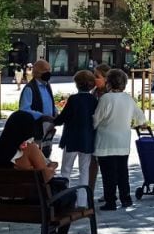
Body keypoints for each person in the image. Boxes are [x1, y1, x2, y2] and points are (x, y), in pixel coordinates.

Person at [0, 110, 78, 234]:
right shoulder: (29, 148)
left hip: (6, 202)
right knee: (69, 195)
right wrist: (51, 167)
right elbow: (45, 177)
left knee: (60, 192)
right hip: (32, 203)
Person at [93, 68, 146, 210]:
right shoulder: (128, 99)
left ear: (109, 82)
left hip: (106, 143)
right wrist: (135, 124)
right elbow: (140, 117)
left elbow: (96, 119)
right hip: (123, 142)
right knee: (123, 171)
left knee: (108, 174)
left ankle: (110, 201)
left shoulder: (106, 98)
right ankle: (125, 198)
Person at [53, 70, 98, 208]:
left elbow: (63, 118)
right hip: (87, 140)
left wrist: (53, 121)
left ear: (77, 84)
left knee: (66, 169)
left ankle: (66, 200)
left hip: (71, 139)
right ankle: (82, 202)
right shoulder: (94, 100)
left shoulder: (73, 99)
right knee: (84, 171)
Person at [19, 59, 57, 147]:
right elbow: (24, 110)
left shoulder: (47, 85)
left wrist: (55, 111)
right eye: (45, 71)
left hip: (48, 128)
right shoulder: (30, 88)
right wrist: (42, 116)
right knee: (37, 152)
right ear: (37, 73)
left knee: (46, 151)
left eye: (49, 70)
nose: (48, 73)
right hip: (35, 130)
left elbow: (50, 102)